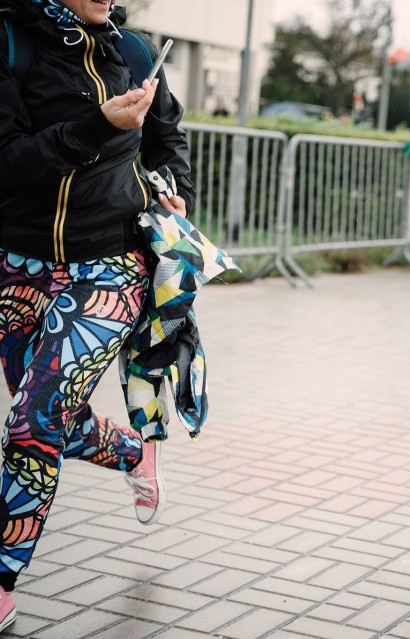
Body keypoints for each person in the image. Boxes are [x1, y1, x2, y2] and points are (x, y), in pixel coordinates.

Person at [0, 0, 195, 629]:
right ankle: (134, 450)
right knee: (54, 417)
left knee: (32, 423)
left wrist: (173, 191)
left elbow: (168, 140)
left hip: (109, 268)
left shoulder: (133, 51)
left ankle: (2, 578)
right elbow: (9, 160)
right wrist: (97, 126)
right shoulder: (9, 41)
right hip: (17, 265)